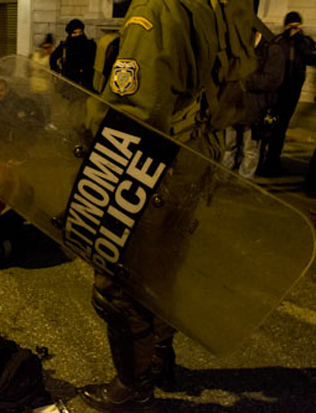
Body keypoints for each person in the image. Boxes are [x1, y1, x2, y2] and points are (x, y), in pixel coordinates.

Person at [79, 1, 258, 411]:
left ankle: (132, 386)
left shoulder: (156, 10)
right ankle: (159, 361)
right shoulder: (219, 5)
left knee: (117, 280)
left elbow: (134, 114)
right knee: (162, 269)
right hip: (198, 159)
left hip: (154, 163)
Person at [222, 31, 284, 180]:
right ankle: (221, 174)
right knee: (228, 146)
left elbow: (272, 80)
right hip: (234, 104)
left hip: (256, 109)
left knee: (250, 149)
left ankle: (244, 181)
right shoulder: (241, 47)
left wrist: (243, 79)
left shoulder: (272, 50)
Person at [261, 11, 316, 176]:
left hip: (293, 92)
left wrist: (300, 43)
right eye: (292, 26)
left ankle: (273, 161)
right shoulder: (278, 41)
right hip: (276, 91)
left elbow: (312, 59)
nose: (295, 30)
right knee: (268, 126)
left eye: (297, 26)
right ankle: (260, 160)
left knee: (281, 128)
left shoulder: (305, 42)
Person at [50, 19, 97, 92]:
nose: (78, 35)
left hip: (86, 84)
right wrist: (57, 71)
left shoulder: (90, 45)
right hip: (69, 83)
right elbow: (53, 58)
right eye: (75, 33)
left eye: (80, 32)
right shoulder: (65, 46)